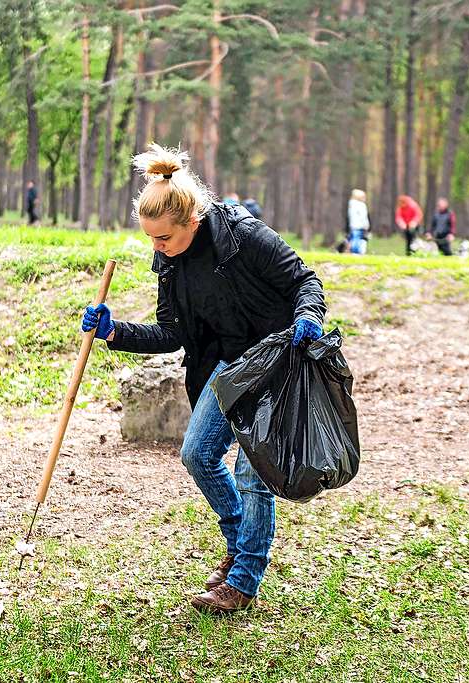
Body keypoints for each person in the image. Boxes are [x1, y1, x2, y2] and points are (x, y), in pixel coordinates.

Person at [81, 144, 325, 616]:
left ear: (191, 221)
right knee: (197, 453)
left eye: (163, 239)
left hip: (276, 361)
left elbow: (304, 282)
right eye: (151, 239)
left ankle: (244, 578)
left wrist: (308, 316)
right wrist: (114, 331)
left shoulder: (243, 235)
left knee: (252, 474)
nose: (157, 248)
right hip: (227, 363)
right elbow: (172, 333)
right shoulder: (171, 261)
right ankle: (238, 542)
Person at [348, 189, 370, 254]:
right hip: (360, 225)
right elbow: (363, 217)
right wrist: (366, 225)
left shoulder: (351, 205)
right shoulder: (361, 205)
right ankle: (356, 251)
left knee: (354, 238)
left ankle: (353, 251)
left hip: (353, 225)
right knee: (358, 239)